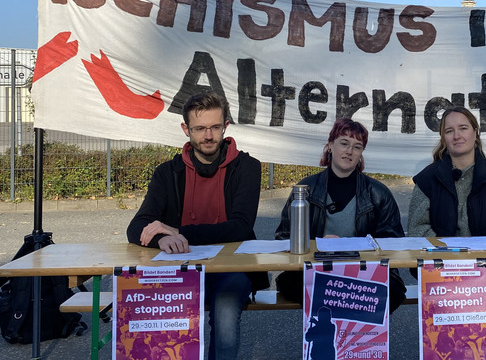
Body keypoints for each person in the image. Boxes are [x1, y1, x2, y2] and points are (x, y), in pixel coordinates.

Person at [127, 91, 268, 359]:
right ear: (186, 129)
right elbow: (138, 226)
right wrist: (161, 239)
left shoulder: (247, 167)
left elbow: (240, 226)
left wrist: (179, 233)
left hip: (232, 269)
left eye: (215, 127)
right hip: (180, 269)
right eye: (200, 128)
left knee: (225, 314)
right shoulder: (167, 173)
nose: (208, 136)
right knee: (153, 318)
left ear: (225, 125)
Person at [274, 118, 407, 312]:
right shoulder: (305, 190)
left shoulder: (379, 193)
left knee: (390, 290)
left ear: (361, 153)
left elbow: (394, 242)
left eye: (357, 146)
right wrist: (318, 245)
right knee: (297, 285)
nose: (349, 151)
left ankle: (339, 332)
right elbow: (283, 238)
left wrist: (355, 248)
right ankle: (350, 332)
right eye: (344, 143)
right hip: (315, 269)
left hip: (364, 270)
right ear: (330, 146)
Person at [407, 106, 486, 283]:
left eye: (463, 128)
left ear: (475, 132)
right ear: (444, 138)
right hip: (440, 274)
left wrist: (480, 253)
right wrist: (450, 257)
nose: (457, 136)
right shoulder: (426, 180)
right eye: (449, 131)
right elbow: (416, 230)